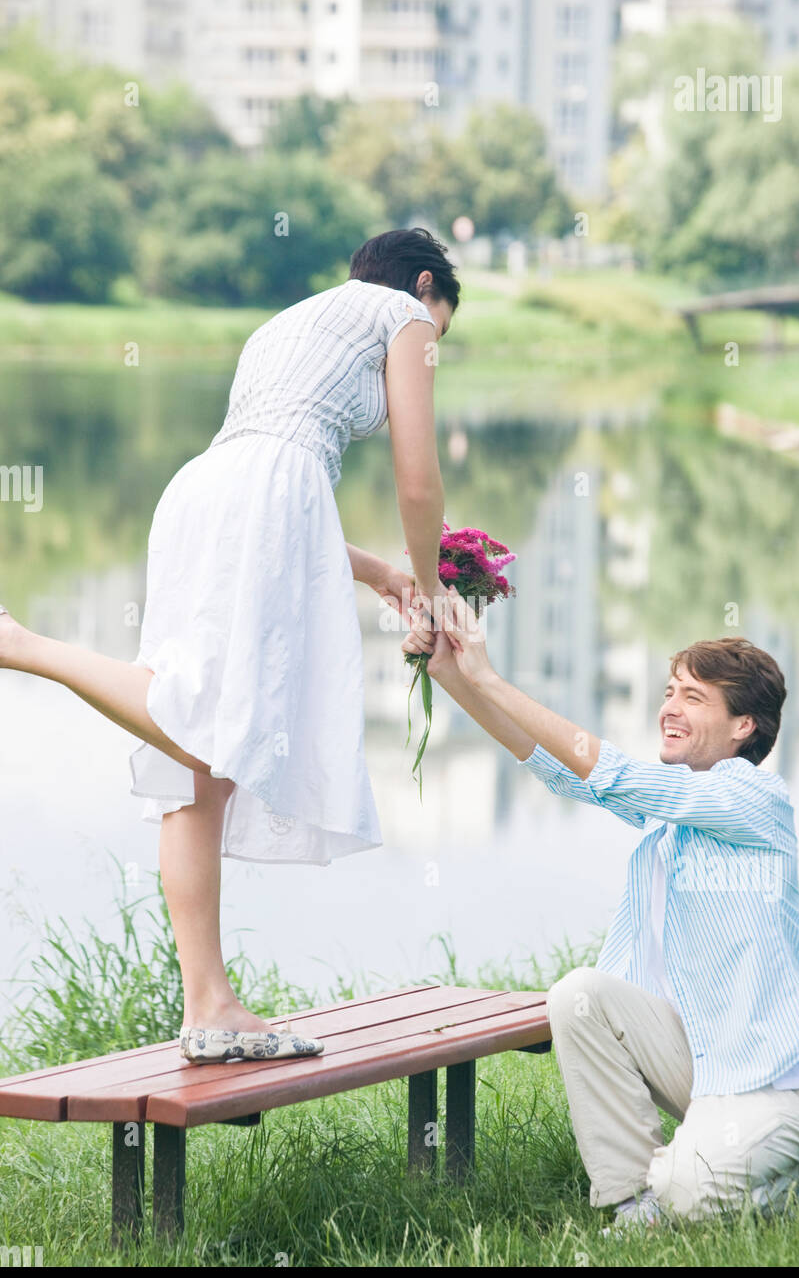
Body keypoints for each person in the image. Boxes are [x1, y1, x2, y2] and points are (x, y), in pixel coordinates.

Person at [0, 227, 458, 1065]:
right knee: (204, 726)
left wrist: (377, 575)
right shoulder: (406, 316)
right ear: (427, 286)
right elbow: (418, 478)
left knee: (197, 773)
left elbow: (272, 457)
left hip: (203, 493)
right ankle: (23, 645)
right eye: (443, 328)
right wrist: (429, 591)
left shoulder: (292, 321)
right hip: (263, 497)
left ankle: (208, 1006)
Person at [403, 595, 799, 1229]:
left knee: (691, 1197)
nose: (669, 707)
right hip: (706, 1063)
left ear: (743, 725)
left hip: (776, 1083)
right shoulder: (673, 816)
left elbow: (611, 770)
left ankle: (768, 1186)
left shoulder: (752, 797)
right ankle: (632, 1198)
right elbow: (561, 770)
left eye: (693, 698)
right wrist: (452, 674)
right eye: (670, 690)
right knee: (580, 994)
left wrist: (489, 676)